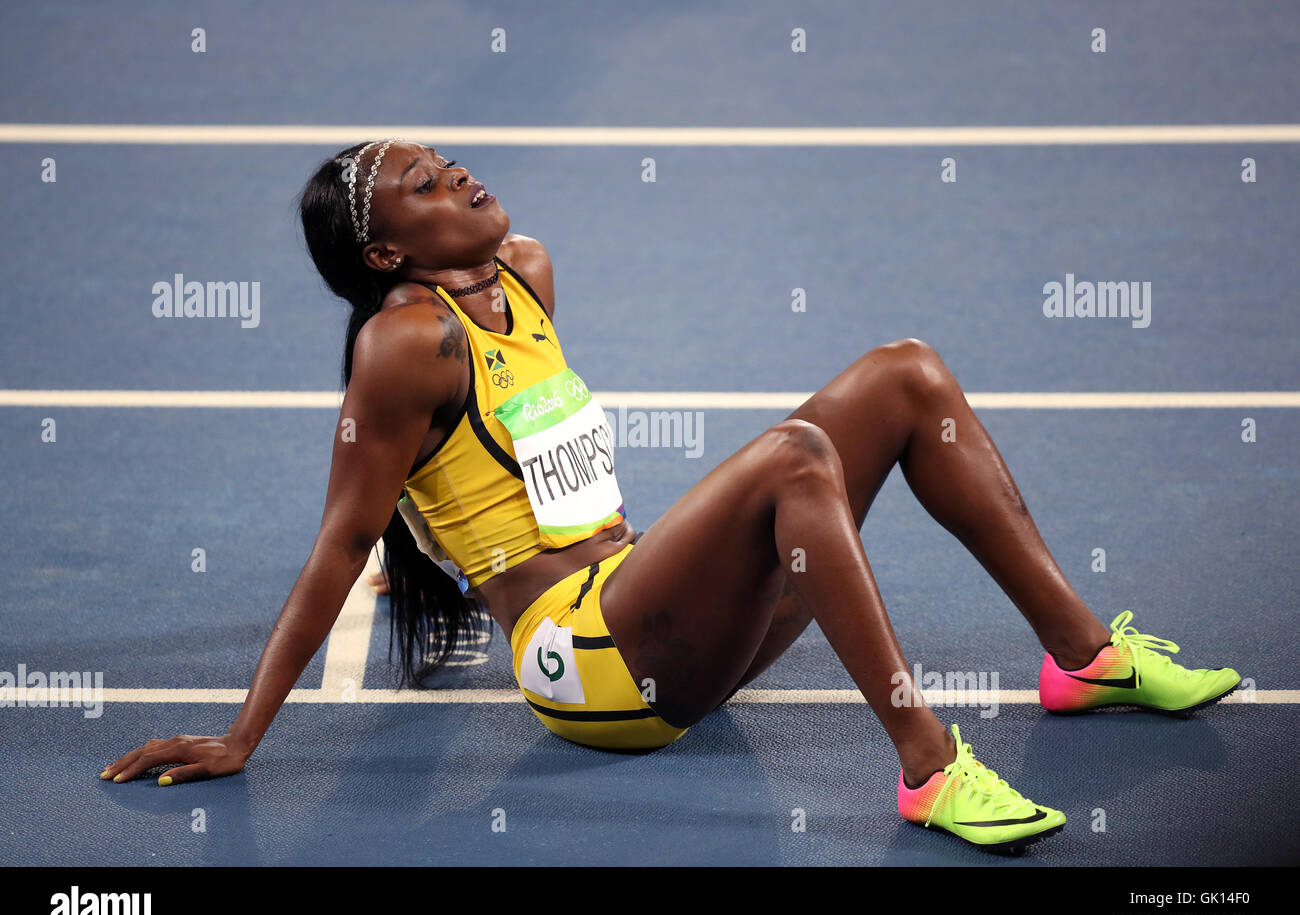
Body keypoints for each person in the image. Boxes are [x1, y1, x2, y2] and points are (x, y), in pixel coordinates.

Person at [101, 140, 1241, 853]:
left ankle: (1080, 658)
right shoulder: (403, 348)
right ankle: (930, 767)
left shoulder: (526, 274)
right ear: (387, 252)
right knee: (799, 455)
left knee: (905, 371)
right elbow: (339, 543)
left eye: (445, 160)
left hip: (656, 615)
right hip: (583, 665)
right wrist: (246, 732)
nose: (458, 175)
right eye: (423, 186)